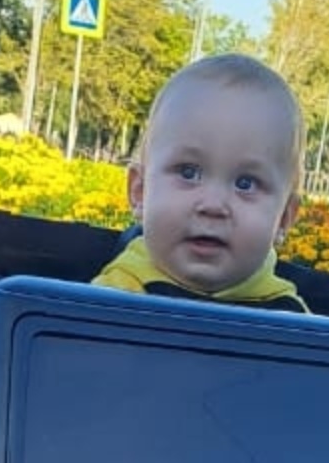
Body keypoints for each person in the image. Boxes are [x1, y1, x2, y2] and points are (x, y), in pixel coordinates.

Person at [94, 53, 308, 312]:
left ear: (284, 218)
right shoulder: (105, 305)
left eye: (245, 183)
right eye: (188, 173)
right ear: (140, 191)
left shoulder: (295, 327)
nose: (213, 206)